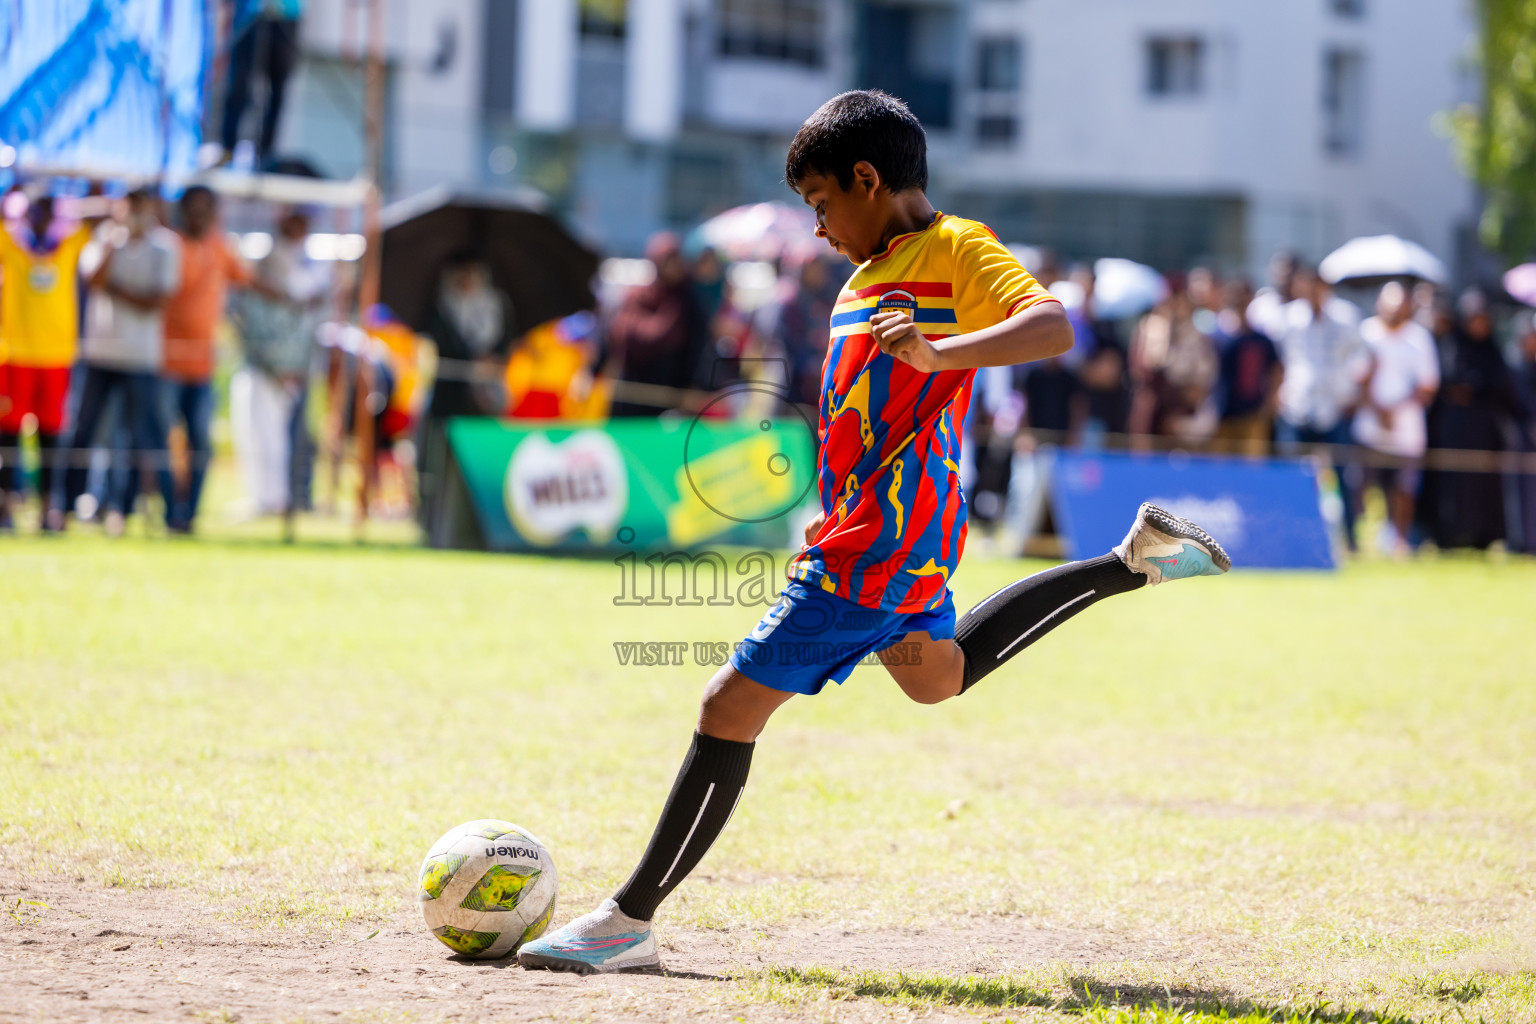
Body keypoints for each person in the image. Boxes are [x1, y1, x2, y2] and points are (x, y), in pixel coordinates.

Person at [514, 90, 1230, 976]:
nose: (818, 230)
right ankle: (1130, 564)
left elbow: (1051, 327)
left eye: (821, 205)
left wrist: (942, 353)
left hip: (881, 546)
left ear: (867, 179)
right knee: (939, 677)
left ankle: (628, 919)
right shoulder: (862, 277)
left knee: (725, 708)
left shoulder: (956, 248)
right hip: (895, 535)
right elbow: (863, 409)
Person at [59, 188, 181, 536]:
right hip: (100, 353)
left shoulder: (165, 246)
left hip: (142, 358)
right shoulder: (104, 238)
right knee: (84, 431)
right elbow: (93, 281)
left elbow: (155, 302)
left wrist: (116, 289)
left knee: (144, 435)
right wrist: (113, 245)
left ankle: (140, 511)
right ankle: (65, 507)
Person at [159, 185, 254, 533]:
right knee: (162, 443)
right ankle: (171, 513)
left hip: (203, 366)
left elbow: (249, 280)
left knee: (201, 441)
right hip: (164, 363)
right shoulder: (167, 244)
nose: (200, 215)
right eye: (194, 208)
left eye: (207, 208)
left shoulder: (220, 247)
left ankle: (190, 514)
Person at [0, 193, 94, 532]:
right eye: (33, 212)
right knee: (9, 436)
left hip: (56, 357)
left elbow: (94, 212)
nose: (39, 219)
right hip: (15, 356)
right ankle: (6, 505)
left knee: (51, 438)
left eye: (46, 213)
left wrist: (71, 202)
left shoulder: (67, 247)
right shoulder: (11, 245)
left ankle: (48, 510)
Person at [229, 206, 326, 517]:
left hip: (288, 370)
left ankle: (279, 499)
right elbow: (249, 319)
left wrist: (289, 367)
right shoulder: (265, 267)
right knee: (254, 432)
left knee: (281, 437)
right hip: (260, 366)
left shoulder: (311, 270)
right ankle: (265, 497)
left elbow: (305, 326)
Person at [416, 254, 517, 532]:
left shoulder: (497, 306)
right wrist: (472, 361)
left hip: (484, 403)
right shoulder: (440, 306)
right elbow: (442, 345)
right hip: (448, 401)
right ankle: (434, 524)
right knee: (439, 465)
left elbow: (507, 344)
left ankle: (479, 525)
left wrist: (492, 362)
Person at [1419, 289, 1522, 550]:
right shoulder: (1451, 345)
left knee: (1483, 485)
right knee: (1452, 483)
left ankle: (1483, 537)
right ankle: (1449, 536)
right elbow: (1444, 379)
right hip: (1452, 429)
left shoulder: (1492, 350)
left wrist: (1477, 388)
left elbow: (1501, 385)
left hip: (1485, 431)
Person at [1273, 266, 1364, 550]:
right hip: (1297, 405)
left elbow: (1362, 356)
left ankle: (1350, 539)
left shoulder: (1345, 317)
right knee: (1291, 474)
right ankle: (1291, 535)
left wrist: (1354, 393)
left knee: (1343, 474)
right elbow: (1278, 360)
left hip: (1335, 408)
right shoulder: (1288, 318)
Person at [1352, 281, 1440, 555]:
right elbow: (1355, 377)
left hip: (1406, 430)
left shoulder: (1419, 338)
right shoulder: (1366, 333)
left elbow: (1428, 385)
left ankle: (1400, 540)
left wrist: (1394, 410)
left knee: (1404, 487)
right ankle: (1357, 541)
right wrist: (1377, 409)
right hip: (1369, 427)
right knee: (1360, 484)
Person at [607, 233, 704, 416]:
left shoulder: (687, 303)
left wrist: (695, 386)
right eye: (668, 261)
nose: (673, 267)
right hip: (631, 393)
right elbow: (613, 340)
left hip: (671, 396)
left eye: (677, 260)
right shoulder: (637, 298)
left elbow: (699, 347)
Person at [1128, 277, 1219, 443]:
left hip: (1180, 409)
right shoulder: (1149, 327)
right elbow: (1141, 367)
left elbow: (1203, 381)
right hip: (1151, 406)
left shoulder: (1198, 336)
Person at [220, 0, 305, 167]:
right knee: (239, 86)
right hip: (250, 12)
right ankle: (228, 150)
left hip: (286, 15)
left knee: (277, 92)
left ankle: (266, 156)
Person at [1213, 277, 1282, 457]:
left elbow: (1276, 370)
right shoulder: (1218, 336)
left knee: (1252, 467)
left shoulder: (1260, 340)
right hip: (1221, 414)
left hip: (1253, 414)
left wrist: (1269, 403)